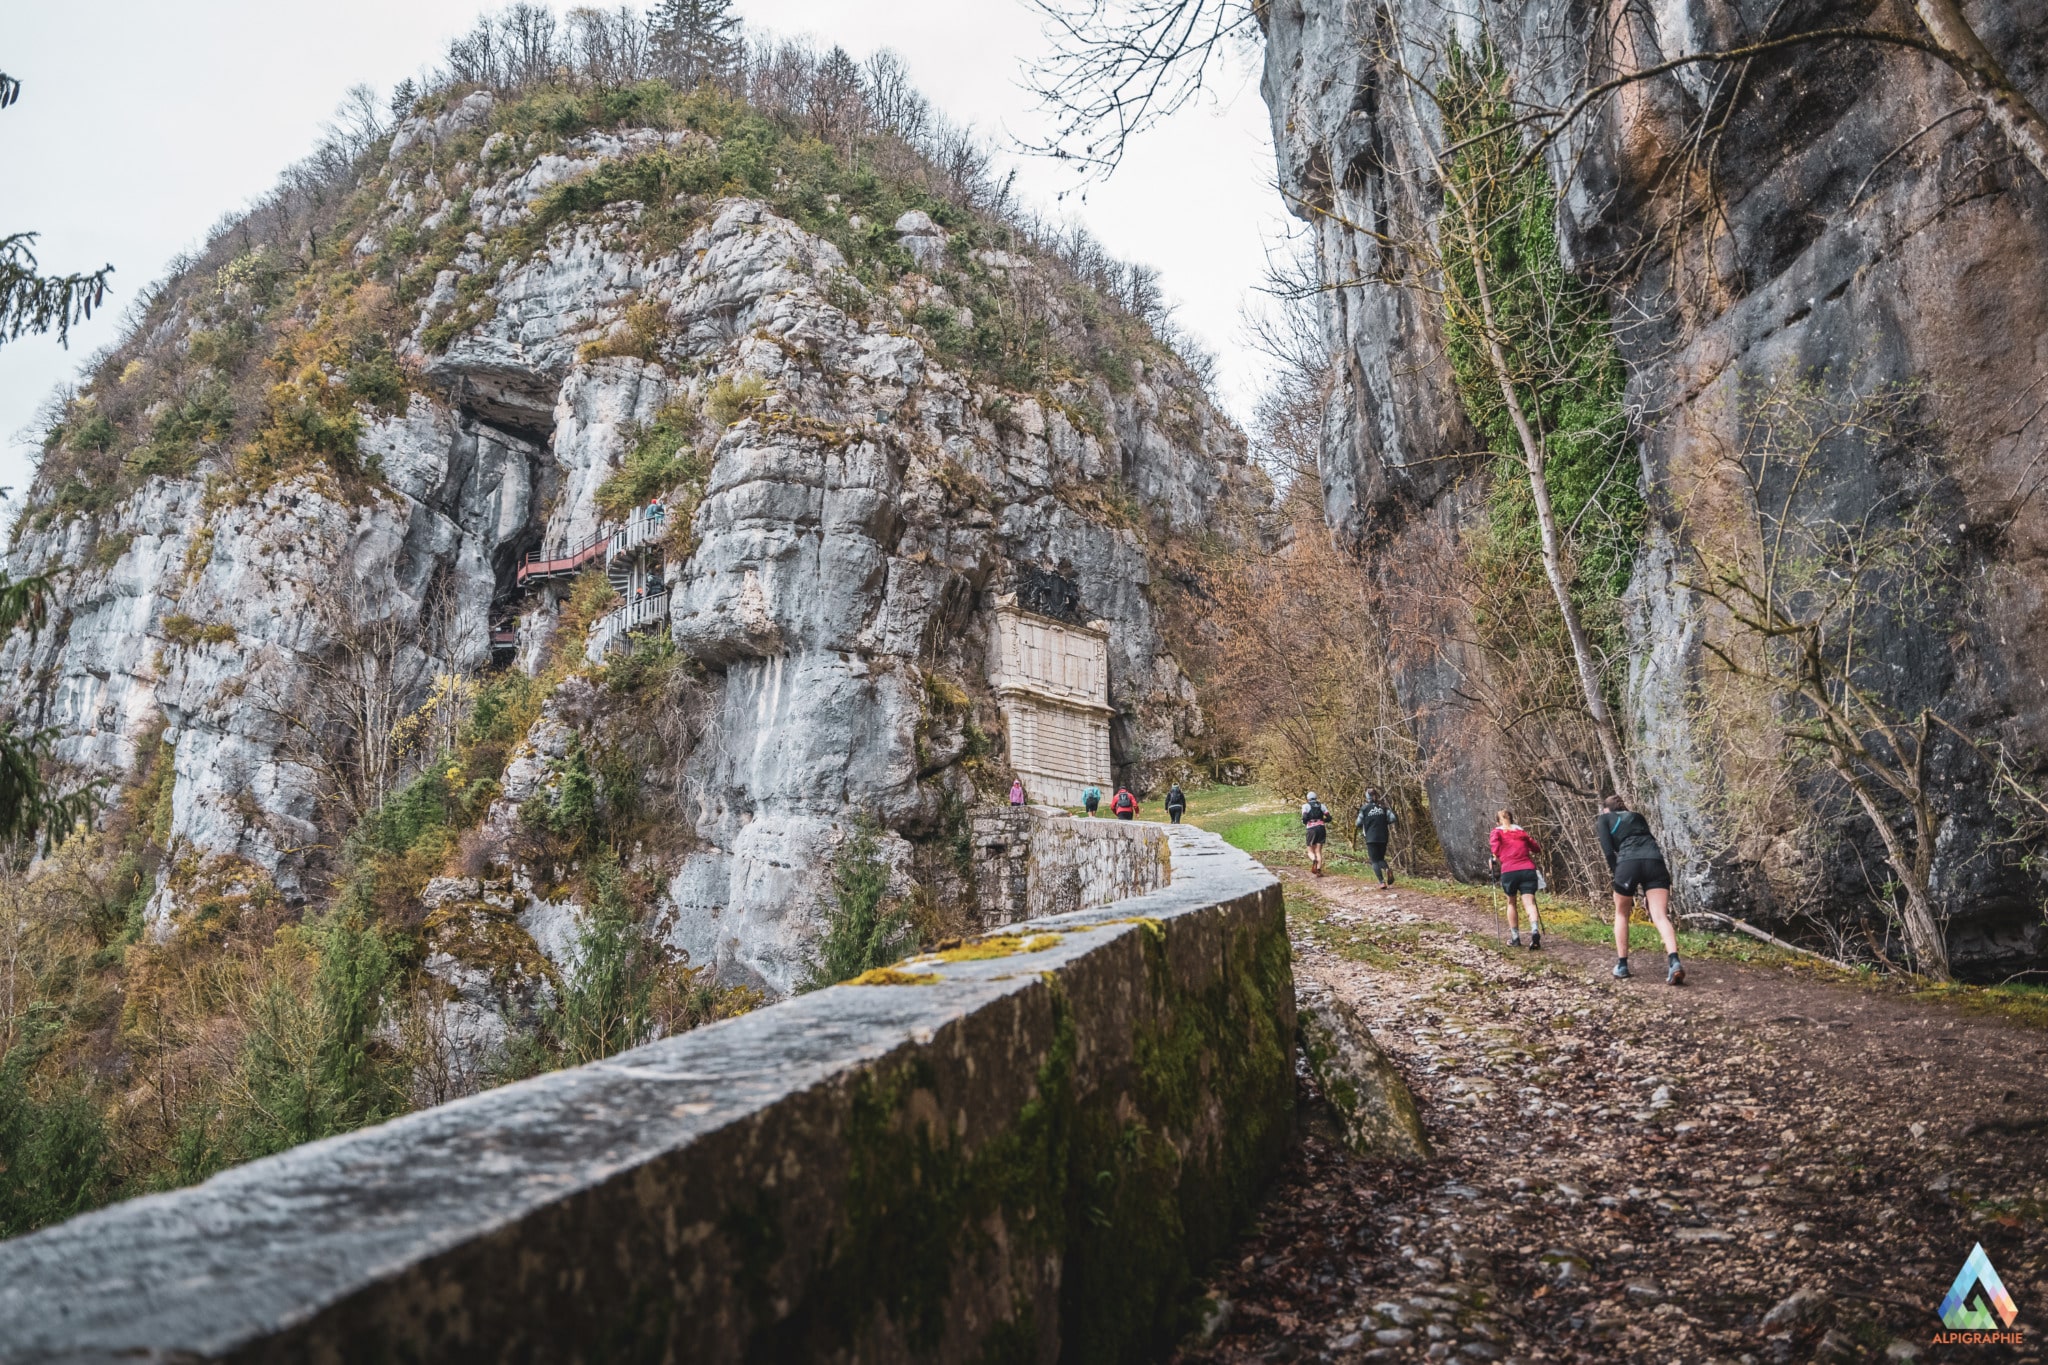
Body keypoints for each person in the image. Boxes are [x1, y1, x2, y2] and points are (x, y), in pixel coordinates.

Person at [1596, 795, 1684, 984]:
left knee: (1621, 914)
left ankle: (1622, 965)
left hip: (1627, 863)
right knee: (1660, 915)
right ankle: (1674, 961)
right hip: (1655, 861)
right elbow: (1649, 841)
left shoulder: (1604, 819)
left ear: (1606, 809)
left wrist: (1617, 874)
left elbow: (1608, 850)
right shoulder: (1637, 816)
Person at [1488, 810, 1543, 949]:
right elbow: (1536, 848)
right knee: (1529, 903)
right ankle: (1535, 930)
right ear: (1512, 819)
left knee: (1511, 903)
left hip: (1509, 871)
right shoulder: (1521, 832)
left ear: (1497, 822)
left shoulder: (1497, 832)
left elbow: (1495, 847)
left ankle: (1515, 938)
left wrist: (1494, 858)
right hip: (1527, 870)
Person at [1355, 789, 1397, 888]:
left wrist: (1367, 823)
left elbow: (1358, 823)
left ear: (1367, 798)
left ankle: (1381, 882)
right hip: (1383, 836)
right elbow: (1393, 818)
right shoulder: (1384, 807)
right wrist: (1384, 822)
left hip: (1371, 837)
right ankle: (1387, 869)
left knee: (1374, 861)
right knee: (1381, 858)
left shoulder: (1364, 809)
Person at [1301, 791, 1332, 876]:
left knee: (1310, 850)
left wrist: (1305, 822)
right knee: (1318, 851)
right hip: (1321, 828)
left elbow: (1304, 817)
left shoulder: (1305, 806)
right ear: (1316, 798)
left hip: (1311, 829)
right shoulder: (1322, 806)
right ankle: (1318, 870)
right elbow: (1329, 818)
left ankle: (1313, 859)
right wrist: (1322, 821)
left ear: (1308, 798)